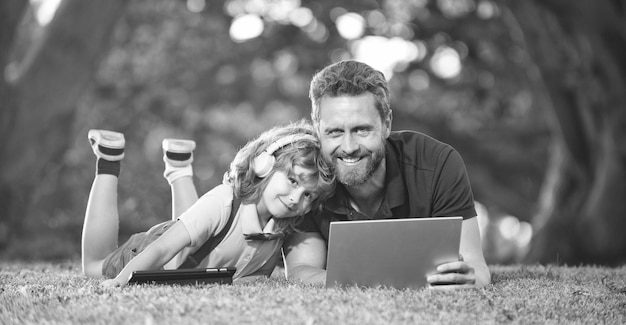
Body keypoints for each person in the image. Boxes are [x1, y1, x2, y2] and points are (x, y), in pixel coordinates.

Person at [283, 60, 491, 289]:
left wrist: (468, 279)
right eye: (334, 132)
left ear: (387, 124)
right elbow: (300, 271)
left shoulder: (438, 163)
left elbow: (475, 269)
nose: (349, 146)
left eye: (361, 129)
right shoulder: (307, 178)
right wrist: (372, 281)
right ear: (318, 130)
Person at [81, 120, 335, 287]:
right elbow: (161, 250)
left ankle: (178, 167)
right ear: (263, 166)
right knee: (93, 265)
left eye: (308, 195)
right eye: (292, 181)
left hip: (190, 258)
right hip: (150, 250)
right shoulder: (223, 201)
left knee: (196, 232)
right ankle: (108, 161)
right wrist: (121, 281)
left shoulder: (284, 226)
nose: (296, 198)